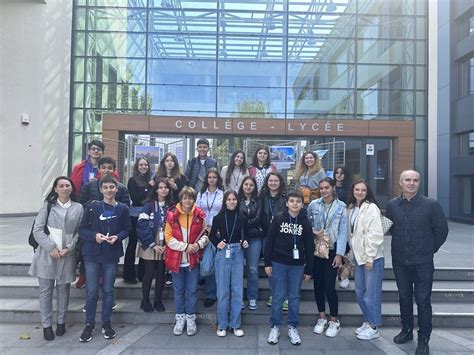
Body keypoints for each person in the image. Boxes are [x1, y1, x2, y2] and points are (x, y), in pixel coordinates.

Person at [386, 170, 448, 355]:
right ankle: (406, 331)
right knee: (404, 297)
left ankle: (424, 339)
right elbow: (387, 229)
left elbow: (441, 230)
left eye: (415, 180)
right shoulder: (391, 205)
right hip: (400, 261)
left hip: (423, 262)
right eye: (407, 180)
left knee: (422, 301)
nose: (411, 183)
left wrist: (429, 249)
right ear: (400, 182)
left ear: (419, 183)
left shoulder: (431, 205)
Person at [28, 176, 83, 341]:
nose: (65, 188)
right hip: (47, 254)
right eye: (61, 186)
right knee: (45, 291)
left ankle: (61, 322)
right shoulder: (48, 206)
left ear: (71, 188)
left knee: (63, 290)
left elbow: (80, 232)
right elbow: (38, 230)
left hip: (67, 254)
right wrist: (50, 247)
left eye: (67, 185)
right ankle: (46, 325)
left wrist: (70, 247)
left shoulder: (79, 207)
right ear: (55, 189)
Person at [78, 175, 130, 343]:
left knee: (108, 291)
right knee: (92, 291)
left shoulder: (123, 209)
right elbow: (82, 230)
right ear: (101, 189)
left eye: (112, 187)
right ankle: (89, 324)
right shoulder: (93, 207)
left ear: (116, 189)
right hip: (92, 255)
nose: (109, 190)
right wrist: (95, 236)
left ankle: (106, 323)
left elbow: (127, 229)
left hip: (110, 255)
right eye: (105, 187)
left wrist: (118, 237)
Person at [264, 190, 314, 346]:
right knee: (278, 296)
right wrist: (267, 263)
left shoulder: (305, 221)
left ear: (302, 203)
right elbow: (270, 241)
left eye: (298, 202)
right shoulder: (279, 218)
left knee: (294, 296)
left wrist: (309, 269)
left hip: (297, 265)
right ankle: (275, 326)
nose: (295, 204)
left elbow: (309, 245)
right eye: (292, 201)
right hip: (279, 262)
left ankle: (292, 326)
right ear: (287, 203)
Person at [165, 187, 208, 336]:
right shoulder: (172, 215)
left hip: (193, 261)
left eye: (190, 198)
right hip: (177, 261)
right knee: (178, 291)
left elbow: (205, 234)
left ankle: (191, 318)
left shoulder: (199, 215)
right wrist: (186, 247)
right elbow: (168, 238)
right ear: (180, 199)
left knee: (192, 291)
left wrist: (198, 245)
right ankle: (180, 318)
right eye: (185, 198)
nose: (187, 201)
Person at [308, 177, 347, 338]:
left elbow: (343, 231)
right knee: (318, 285)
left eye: (327, 187)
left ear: (332, 188)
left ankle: (334, 320)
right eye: (321, 188)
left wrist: (339, 254)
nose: (324, 190)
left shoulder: (341, 207)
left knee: (329, 286)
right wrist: (313, 231)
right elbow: (306, 224)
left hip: (332, 251)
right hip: (317, 250)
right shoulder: (313, 205)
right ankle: (322, 317)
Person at [346, 180, 384, 340]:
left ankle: (374, 326)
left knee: (371, 294)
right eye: (357, 189)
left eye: (363, 190)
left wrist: (370, 257)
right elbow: (352, 235)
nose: (360, 192)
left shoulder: (371, 208)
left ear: (367, 192)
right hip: (358, 258)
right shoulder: (352, 208)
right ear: (353, 191)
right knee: (360, 293)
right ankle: (368, 321)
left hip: (372, 259)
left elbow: (375, 235)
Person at [209, 190, 249, 337]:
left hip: (238, 252)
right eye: (229, 199)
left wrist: (246, 242)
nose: (232, 201)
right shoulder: (218, 217)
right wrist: (217, 243)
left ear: (237, 201)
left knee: (237, 290)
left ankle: (235, 324)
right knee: (223, 291)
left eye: (234, 199)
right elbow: (212, 234)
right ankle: (222, 324)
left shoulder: (242, 217)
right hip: (223, 253)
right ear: (225, 201)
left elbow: (247, 235)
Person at [137, 178, 173, 312]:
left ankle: (158, 300)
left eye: (166, 187)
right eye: (161, 187)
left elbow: (175, 226)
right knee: (149, 272)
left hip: (166, 242)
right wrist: (152, 244)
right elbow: (141, 226)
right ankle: (145, 300)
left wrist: (168, 245)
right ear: (156, 189)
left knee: (161, 273)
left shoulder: (172, 206)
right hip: (150, 241)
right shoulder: (149, 205)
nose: (163, 189)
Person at [195, 168, 224, 307]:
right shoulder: (201, 194)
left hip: (217, 232)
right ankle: (201, 277)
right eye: (209, 177)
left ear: (218, 179)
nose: (212, 179)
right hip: (203, 231)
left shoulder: (222, 194)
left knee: (214, 262)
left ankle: (210, 294)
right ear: (206, 179)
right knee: (206, 265)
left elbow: (224, 212)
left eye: (214, 177)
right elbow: (196, 211)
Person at [258, 172, 287, 309]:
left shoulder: (285, 197)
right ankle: (274, 294)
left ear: (280, 182)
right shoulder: (262, 196)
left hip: (281, 235)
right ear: (267, 182)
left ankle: (285, 296)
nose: (273, 183)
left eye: (276, 180)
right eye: (271, 180)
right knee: (269, 265)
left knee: (282, 265)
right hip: (266, 234)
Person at [125, 157, 154, 284]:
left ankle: (143, 274)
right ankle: (129, 274)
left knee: (146, 244)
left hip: (149, 214)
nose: (143, 167)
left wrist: (147, 192)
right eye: (141, 165)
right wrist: (148, 189)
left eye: (146, 165)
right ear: (137, 166)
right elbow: (136, 198)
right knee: (132, 244)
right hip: (135, 215)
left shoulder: (152, 180)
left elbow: (153, 196)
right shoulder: (132, 181)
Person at [238, 176, 263, 310]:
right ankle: (239, 297)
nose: (248, 187)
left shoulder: (258, 201)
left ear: (254, 187)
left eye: (251, 185)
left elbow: (258, 219)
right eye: (246, 184)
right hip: (239, 238)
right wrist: (243, 226)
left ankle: (252, 297)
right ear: (242, 186)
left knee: (252, 269)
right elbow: (236, 218)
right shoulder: (236, 199)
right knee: (239, 269)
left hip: (254, 238)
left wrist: (243, 224)